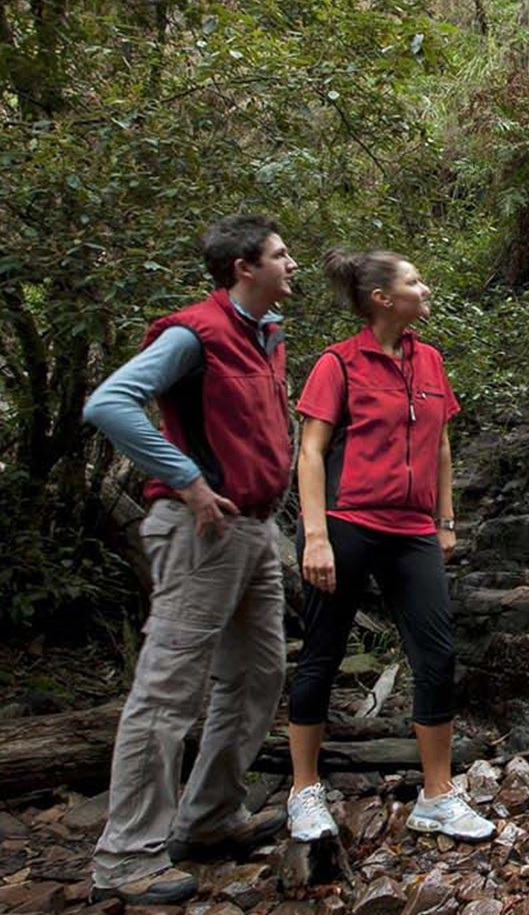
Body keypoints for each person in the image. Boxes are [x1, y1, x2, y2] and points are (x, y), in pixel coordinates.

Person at [84, 215, 297, 906]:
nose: (290, 264)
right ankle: (125, 857)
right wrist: (187, 479)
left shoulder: (266, 339)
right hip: (202, 528)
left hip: (256, 532)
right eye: (280, 255)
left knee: (260, 674)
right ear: (243, 266)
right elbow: (109, 403)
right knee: (168, 690)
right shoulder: (192, 332)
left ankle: (208, 818)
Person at [285, 249, 493, 844]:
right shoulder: (338, 364)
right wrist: (316, 535)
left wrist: (446, 521)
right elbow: (312, 451)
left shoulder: (430, 360)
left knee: (438, 653)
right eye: (414, 281)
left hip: (412, 531)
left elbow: (443, 446)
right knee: (322, 653)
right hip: (346, 523)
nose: (424, 288)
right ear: (382, 298)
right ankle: (304, 791)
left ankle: (437, 795)